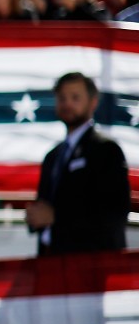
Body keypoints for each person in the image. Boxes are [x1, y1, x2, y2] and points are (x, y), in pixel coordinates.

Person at [25, 72, 130, 255]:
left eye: (75, 98)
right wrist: (35, 217)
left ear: (93, 102)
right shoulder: (53, 156)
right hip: (50, 262)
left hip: (90, 264)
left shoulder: (106, 150)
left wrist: (56, 216)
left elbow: (114, 213)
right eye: (62, 98)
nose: (67, 104)